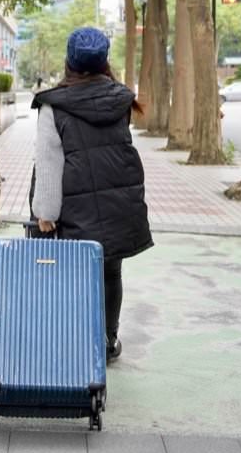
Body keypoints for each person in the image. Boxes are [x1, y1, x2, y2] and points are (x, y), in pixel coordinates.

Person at [30, 27, 153, 362]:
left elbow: (50, 163)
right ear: (104, 61)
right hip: (119, 200)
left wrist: (45, 212)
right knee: (110, 271)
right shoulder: (121, 98)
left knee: (75, 273)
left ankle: (77, 342)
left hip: (77, 206)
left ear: (70, 61)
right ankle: (108, 340)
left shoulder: (53, 105)